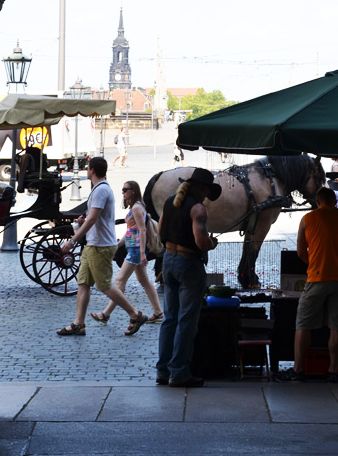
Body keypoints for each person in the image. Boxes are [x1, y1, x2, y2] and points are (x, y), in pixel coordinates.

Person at [275, 186, 338, 383]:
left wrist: (315, 262)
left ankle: (298, 370)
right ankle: (333, 372)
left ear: (318, 202)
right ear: (334, 202)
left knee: (303, 324)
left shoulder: (308, 219)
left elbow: (300, 252)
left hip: (317, 278)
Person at [56, 156, 148, 337]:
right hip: (93, 244)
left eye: (88, 168)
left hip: (101, 246)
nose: (86, 170)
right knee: (83, 283)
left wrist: (73, 240)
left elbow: (93, 218)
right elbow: (92, 218)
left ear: (92, 170)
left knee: (104, 285)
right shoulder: (99, 189)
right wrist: (84, 221)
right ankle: (78, 324)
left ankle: (135, 314)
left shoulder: (100, 190)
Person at [156, 167, 221, 387]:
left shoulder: (169, 202)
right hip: (188, 264)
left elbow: (160, 232)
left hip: (168, 261)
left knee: (169, 318)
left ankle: (163, 371)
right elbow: (201, 241)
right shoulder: (198, 209)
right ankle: (180, 372)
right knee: (186, 320)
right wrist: (212, 243)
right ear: (202, 188)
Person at [90, 180, 163, 325]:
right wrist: (118, 245)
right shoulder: (137, 206)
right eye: (122, 190)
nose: (123, 193)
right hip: (133, 247)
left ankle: (106, 314)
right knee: (144, 281)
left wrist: (142, 253)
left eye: (125, 190)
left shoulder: (136, 208)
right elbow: (131, 230)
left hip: (136, 250)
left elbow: (142, 230)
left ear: (133, 191)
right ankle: (158, 312)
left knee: (119, 280)